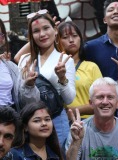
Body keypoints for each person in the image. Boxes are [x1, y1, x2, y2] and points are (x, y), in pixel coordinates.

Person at [17, 10, 76, 146]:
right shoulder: (25, 60)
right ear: (31, 36)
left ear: (55, 30)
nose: (42, 34)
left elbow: (69, 99)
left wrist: (62, 78)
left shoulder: (65, 60)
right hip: (30, 122)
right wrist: (28, 85)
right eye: (36, 31)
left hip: (56, 121)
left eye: (46, 28)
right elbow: (20, 97)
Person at [84, 0, 118, 121]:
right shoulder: (90, 48)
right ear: (104, 19)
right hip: (100, 116)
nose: (116, 11)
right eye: (111, 10)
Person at [65, 77, 118, 160]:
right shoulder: (79, 129)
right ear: (91, 103)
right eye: (100, 97)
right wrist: (76, 142)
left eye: (110, 97)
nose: (105, 102)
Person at [57, 21, 102, 119]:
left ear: (81, 39)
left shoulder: (91, 67)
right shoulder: (54, 68)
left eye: (74, 35)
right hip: (62, 124)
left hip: (89, 122)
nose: (71, 40)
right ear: (57, 41)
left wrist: (74, 111)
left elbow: (101, 101)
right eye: (65, 37)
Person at [0, 18, 40, 112]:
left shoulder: (10, 67)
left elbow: (29, 104)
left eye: (0, 34)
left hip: (9, 120)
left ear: (2, 39)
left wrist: (29, 86)